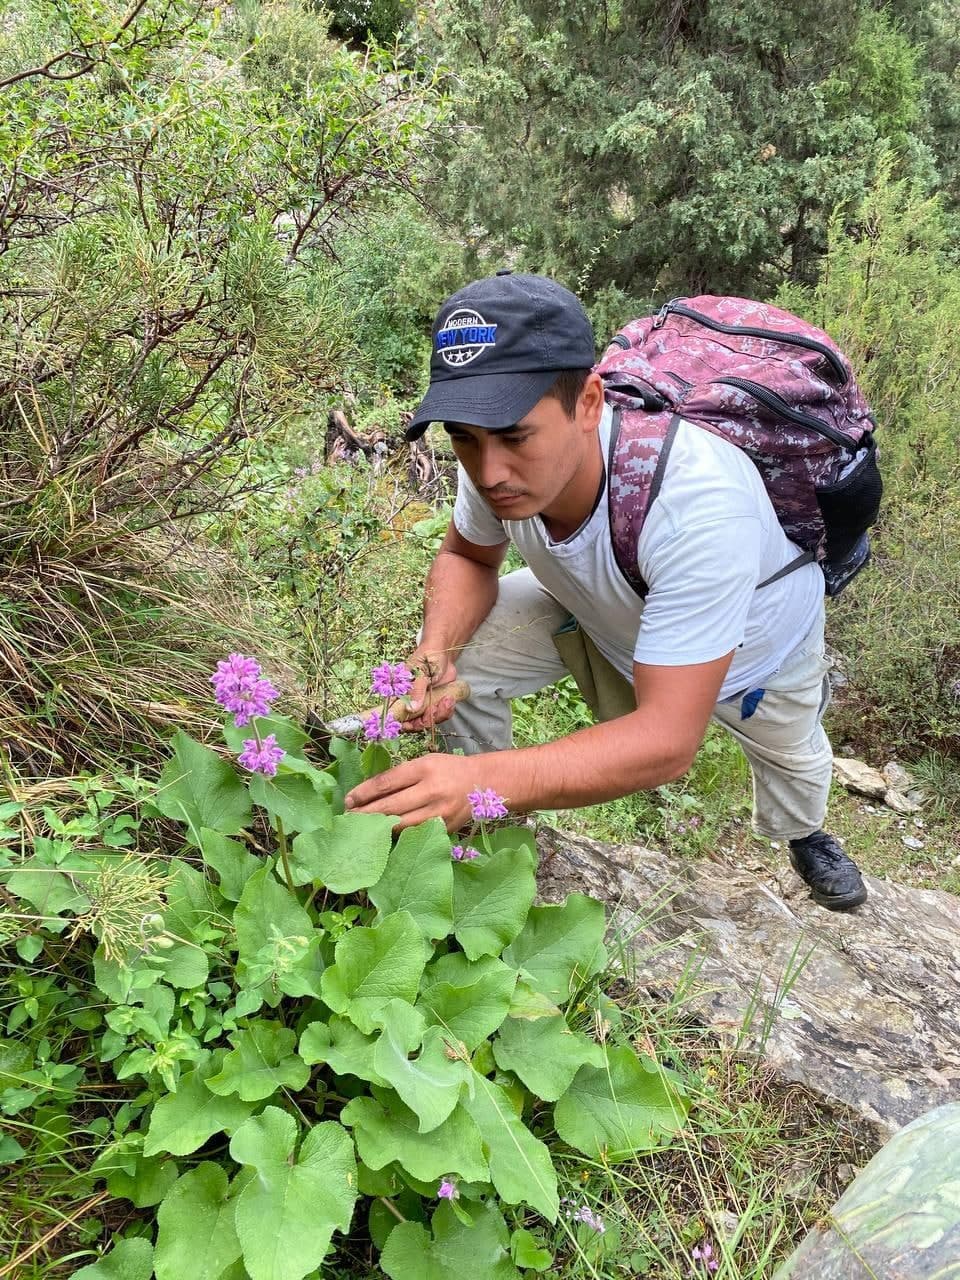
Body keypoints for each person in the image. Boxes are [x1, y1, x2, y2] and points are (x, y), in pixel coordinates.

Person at [345, 271, 867, 912]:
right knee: (468, 655)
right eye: (463, 437)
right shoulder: (492, 458)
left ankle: (804, 832)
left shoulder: (697, 503)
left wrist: (486, 779)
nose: (489, 471)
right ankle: (476, 827)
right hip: (600, 608)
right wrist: (435, 651)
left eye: (514, 436)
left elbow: (667, 741)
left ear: (589, 404)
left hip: (755, 654)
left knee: (791, 753)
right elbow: (467, 556)